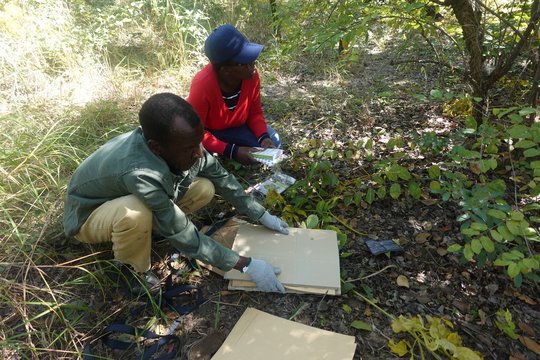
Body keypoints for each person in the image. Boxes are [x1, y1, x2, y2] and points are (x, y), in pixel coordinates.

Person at [63, 93, 288, 293]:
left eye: (199, 143)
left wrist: (260, 214)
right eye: (190, 149)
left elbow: (222, 179)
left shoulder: (182, 144)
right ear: (156, 148)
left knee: (204, 188)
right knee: (136, 212)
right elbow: (185, 235)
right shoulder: (141, 173)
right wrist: (246, 265)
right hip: (88, 214)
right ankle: (131, 272)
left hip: (129, 196)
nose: (199, 153)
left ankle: (153, 229)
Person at [187, 24, 280, 165]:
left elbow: (255, 113)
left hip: (238, 128)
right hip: (212, 133)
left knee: (274, 141)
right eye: (245, 62)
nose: (252, 65)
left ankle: (228, 151)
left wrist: (264, 138)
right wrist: (233, 151)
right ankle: (221, 153)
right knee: (196, 151)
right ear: (225, 70)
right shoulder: (202, 85)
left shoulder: (251, 76)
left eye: (252, 60)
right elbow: (196, 132)